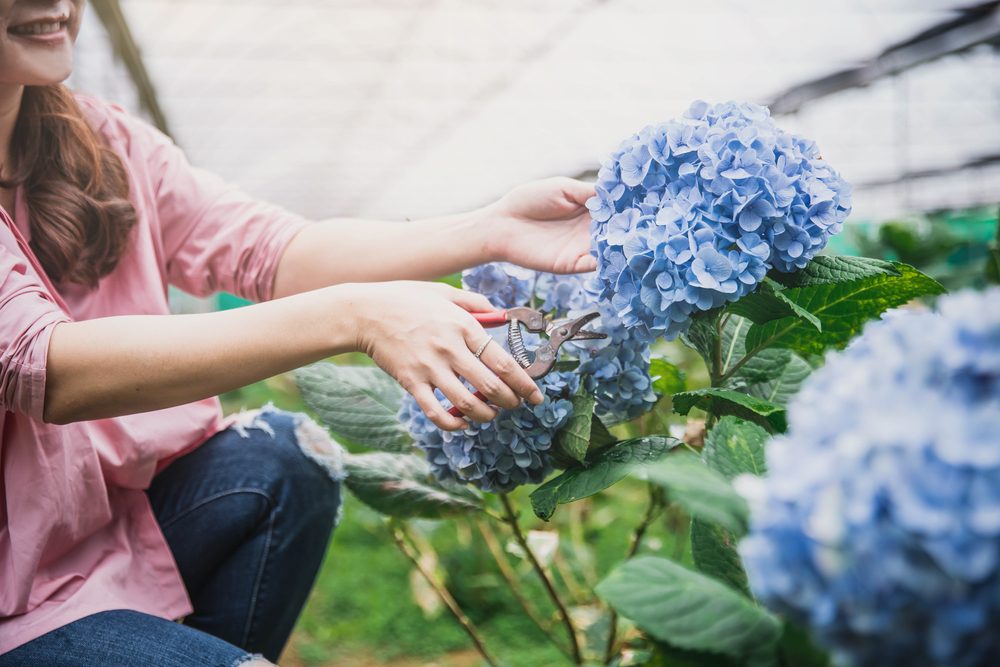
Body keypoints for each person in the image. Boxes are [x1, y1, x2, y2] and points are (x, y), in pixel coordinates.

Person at [0, 2, 597, 665]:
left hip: (96, 538)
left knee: (289, 455)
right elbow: (48, 366)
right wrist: (357, 316)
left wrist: (491, 228)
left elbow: (272, 249)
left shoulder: (102, 141)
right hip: (11, 599)